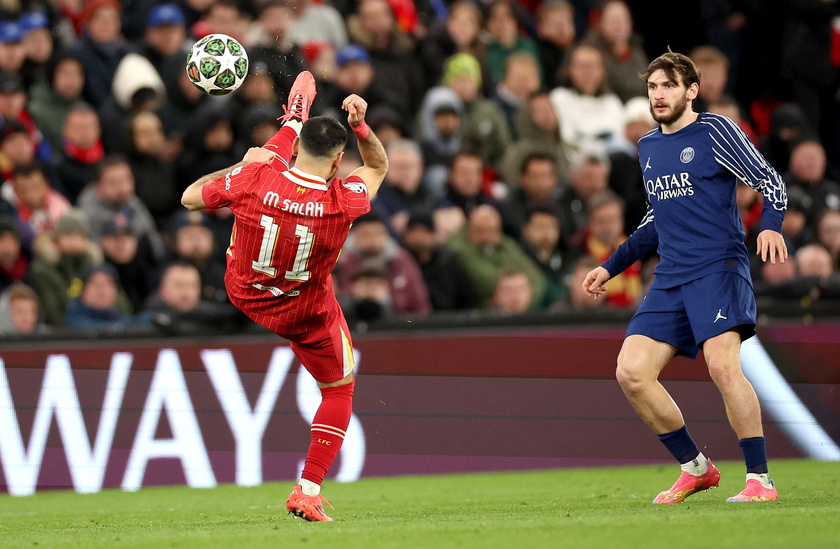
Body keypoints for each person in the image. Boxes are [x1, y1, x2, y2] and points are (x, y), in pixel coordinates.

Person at [181, 72, 388, 521]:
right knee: (339, 390)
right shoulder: (343, 201)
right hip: (305, 313)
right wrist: (361, 128)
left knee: (262, 165)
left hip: (245, 293)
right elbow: (376, 168)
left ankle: (291, 121)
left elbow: (190, 198)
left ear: (298, 152)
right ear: (336, 164)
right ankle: (307, 490)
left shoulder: (256, 177)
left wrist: (241, 165)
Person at [582, 51, 788, 504]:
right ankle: (696, 467)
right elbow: (657, 218)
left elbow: (771, 182)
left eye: (668, 86)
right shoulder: (648, 146)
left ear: (691, 91)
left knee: (722, 365)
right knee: (631, 373)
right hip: (672, 275)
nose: (658, 95)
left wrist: (770, 224)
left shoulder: (715, 131)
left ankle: (760, 480)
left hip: (718, 267)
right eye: (653, 87)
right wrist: (611, 265)